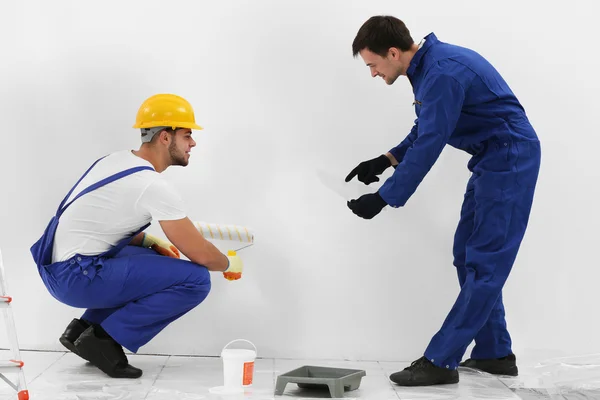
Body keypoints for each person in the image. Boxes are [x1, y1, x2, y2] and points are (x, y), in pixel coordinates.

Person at [346, 16, 541, 386]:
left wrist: (384, 198)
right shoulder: (428, 68)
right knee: (466, 253)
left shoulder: (442, 72)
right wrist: (386, 159)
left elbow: (432, 143)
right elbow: (428, 125)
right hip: (492, 158)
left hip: (510, 157)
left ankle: (440, 359)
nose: (372, 73)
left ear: (392, 52)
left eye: (372, 64)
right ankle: (494, 352)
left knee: (485, 261)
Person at [30, 94, 243, 379]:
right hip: (76, 277)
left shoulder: (113, 161)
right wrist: (228, 265)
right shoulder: (152, 185)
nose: (193, 143)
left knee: (153, 259)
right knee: (196, 280)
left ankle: (82, 331)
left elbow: (95, 222)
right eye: (187, 134)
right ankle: (103, 340)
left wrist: (147, 241)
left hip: (56, 270)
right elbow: (201, 254)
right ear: (165, 137)